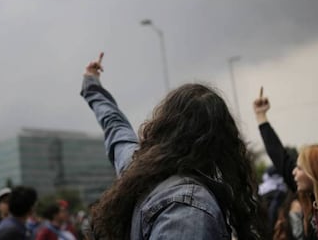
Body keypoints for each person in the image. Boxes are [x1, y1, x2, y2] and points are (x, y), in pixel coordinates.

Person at [81, 52, 263, 240]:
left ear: (162, 127)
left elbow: (116, 127)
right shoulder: (189, 206)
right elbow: (116, 128)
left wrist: (91, 83)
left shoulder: (137, 173)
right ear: (223, 144)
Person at [253, 88, 318, 239]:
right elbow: (280, 157)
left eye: (300, 168)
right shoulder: (310, 199)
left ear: (313, 172)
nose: (294, 171)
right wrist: (261, 116)